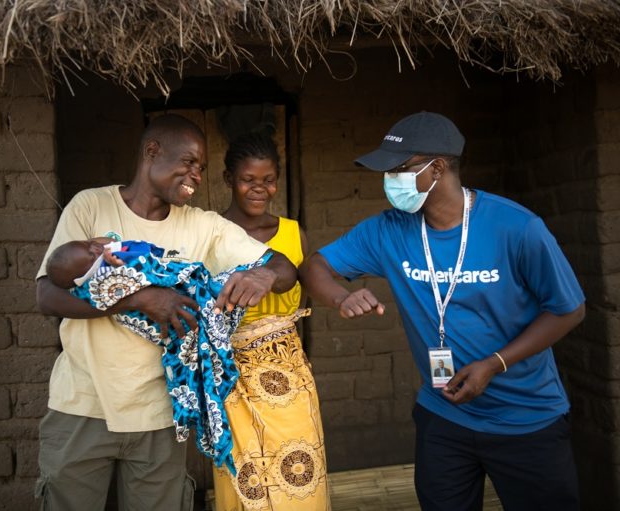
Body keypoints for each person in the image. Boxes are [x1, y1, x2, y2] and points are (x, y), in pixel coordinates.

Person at [299, 112, 585, 510]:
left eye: (398, 169)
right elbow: (314, 266)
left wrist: (495, 363)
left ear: (437, 168)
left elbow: (569, 310)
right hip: (444, 415)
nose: (389, 181)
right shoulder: (389, 230)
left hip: (526, 418)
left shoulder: (517, 227)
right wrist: (340, 297)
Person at [35, 114, 297, 511]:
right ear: (152, 151)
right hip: (82, 406)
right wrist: (138, 299)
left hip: (160, 415)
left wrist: (264, 275)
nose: (195, 174)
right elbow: (46, 296)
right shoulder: (91, 205)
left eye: (202, 168)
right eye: (188, 162)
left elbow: (284, 267)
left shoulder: (203, 226)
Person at [212, 132, 330, 511]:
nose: (258, 189)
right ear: (229, 179)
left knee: (299, 474)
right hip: (230, 374)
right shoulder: (209, 233)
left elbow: (307, 284)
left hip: (288, 372)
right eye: (248, 179)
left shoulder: (294, 234)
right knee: (243, 478)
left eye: (268, 180)